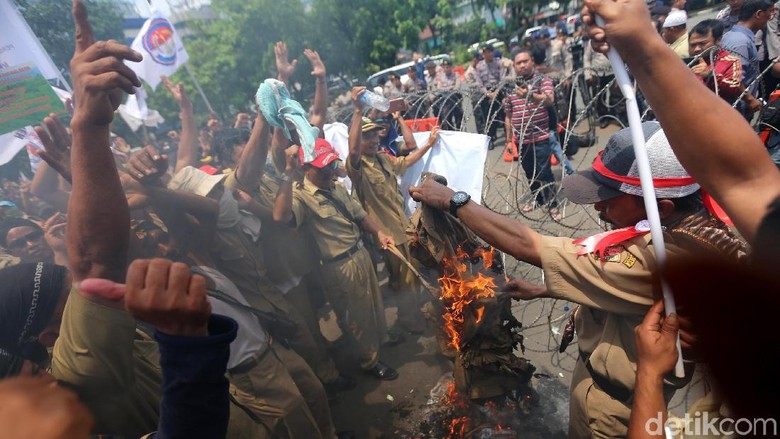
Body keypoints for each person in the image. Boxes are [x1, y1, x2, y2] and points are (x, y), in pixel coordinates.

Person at [409, 121, 746, 438]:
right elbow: (629, 295)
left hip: (614, 407)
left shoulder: (658, 257)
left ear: (664, 207)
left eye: (610, 199)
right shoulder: (693, 228)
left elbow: (530, 245)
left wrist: (455, 201)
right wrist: (545, 289)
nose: (599, 208)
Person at [582, 0, 780, 245]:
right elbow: (746, 181)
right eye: (693, 45)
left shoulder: (696, 248)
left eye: (701, 44)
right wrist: (640, 49)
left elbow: (743, 180)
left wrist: (642, 50)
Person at [273, 140, 400, 381]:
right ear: (306, 168)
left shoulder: (337, 187)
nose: (329, 171)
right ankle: (370, 361)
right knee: (355, 317)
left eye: (331, 164)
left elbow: (361, 216)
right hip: (338, 266)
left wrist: (380, 233)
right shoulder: (301, 197)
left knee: (373, 305)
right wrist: (288, 173)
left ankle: (379, 343)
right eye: (322, 168)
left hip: (360, 253)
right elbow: (280, 217)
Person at [348, 87, 441, 336]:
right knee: (402, 280)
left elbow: (407, 160)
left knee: (411, 276)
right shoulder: (358, 167)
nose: (373, 140)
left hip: (403, 227)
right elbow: (354, 151)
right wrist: (358, 112)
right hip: (387, 234)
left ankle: (409, 316)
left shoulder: (382, 159)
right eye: (367, 137)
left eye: (375, 135)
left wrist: (429, 144)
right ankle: (407, 321)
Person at [502, 50, 561, 220]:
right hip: (521, 139)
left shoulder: (542, 80)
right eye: (518, 63)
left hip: (540, 136)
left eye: (525, 61)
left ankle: (552, 203)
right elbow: (508, 115)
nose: (522, 65)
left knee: (544, 171)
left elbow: (549, 99)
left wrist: (530, 95)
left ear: (532, 62)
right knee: (529, 172)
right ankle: (537, 198)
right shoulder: (510, 87)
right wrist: (508, 140)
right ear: (514, 66)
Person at [688, 19, 746, 105]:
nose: (697, 49)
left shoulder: (730, 61)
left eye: (702, 44)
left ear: (718, 41)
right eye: (693, 45)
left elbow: (735, 86)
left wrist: (710, 76)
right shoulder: (685, 64)